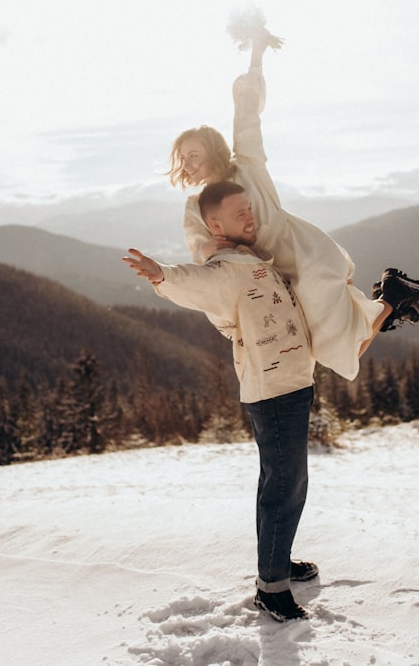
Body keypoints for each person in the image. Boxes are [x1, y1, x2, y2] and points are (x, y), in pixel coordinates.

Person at [166, 21, 419, 382]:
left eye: (194, 154)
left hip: (305, 260)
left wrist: (257, 52)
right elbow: (206, 258)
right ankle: (391, 300)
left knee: (333, 351)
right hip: (272, 282)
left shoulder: (247, 163)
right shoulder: (196, 209)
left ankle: (390, 300)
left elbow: (247, 110)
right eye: (183, 158)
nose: (188, 164)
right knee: (331, 347)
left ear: (214, 150)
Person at [123, 180, 321, 622]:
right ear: (215, 225)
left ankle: (278, 559)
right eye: (239, 213)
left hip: (292, 381)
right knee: (283, 487)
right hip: (273, 393)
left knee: (286, 483)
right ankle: (271, 588)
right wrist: (162, 275)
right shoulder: (227, 268)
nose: (250, 218)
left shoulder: (252, 258)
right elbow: (196, 282)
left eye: (250, 210)